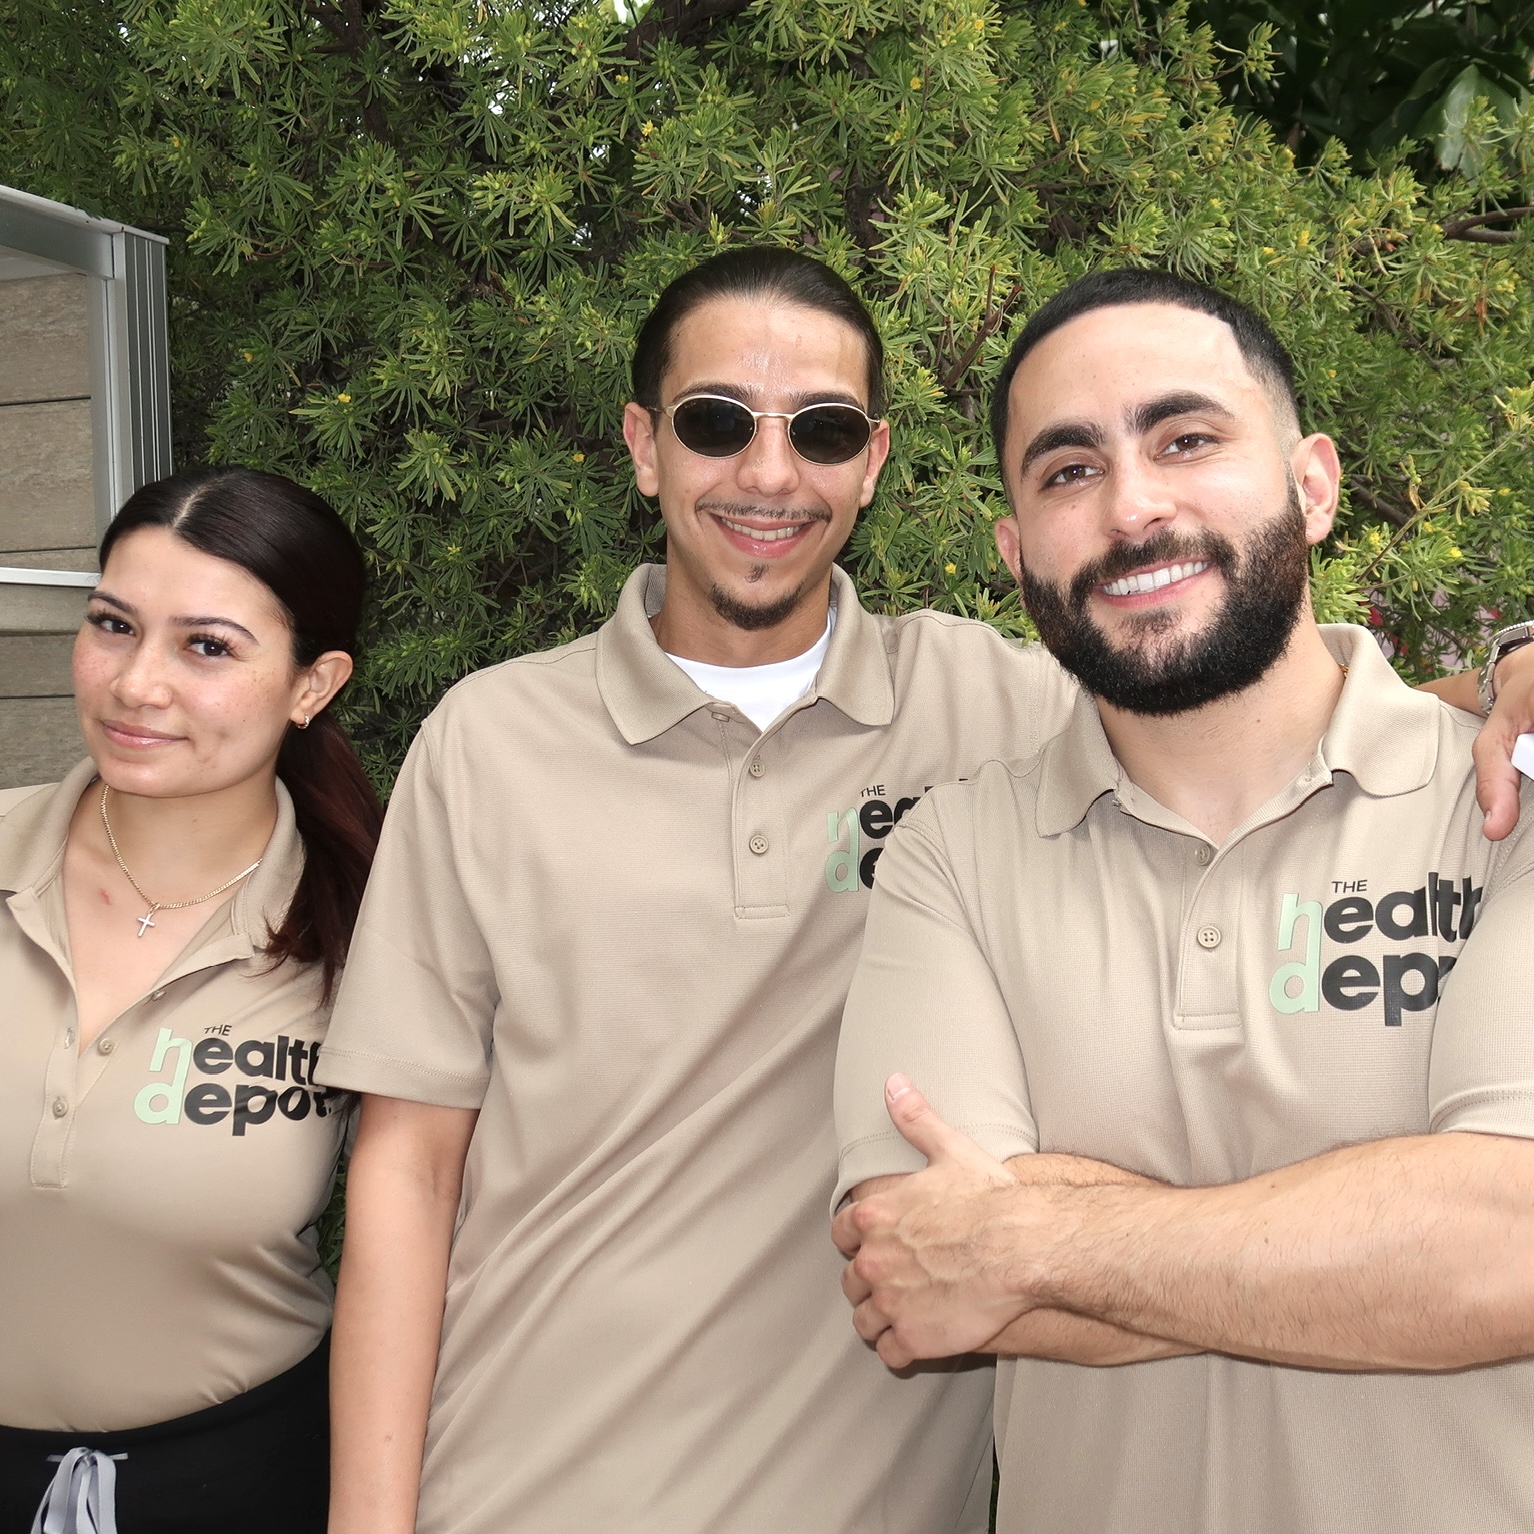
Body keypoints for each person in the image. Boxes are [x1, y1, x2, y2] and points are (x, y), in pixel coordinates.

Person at [318, 248, 1532, 1534]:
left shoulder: (992, 702)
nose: (770, 473)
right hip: (520, 1489)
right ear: (643, 444)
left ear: (875, 460)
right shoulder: (493, 739)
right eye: (716, 422)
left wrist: (1502, 680)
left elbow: (1225, 663)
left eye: (823, 428)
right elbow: (408, 1174)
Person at [832, 268, 1534, 1534]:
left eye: (1187, 438)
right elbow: (914, 1266)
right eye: (1065, 470)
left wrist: (1030, 1238)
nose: (1133, 507)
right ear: (1012, 551)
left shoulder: (1508, 789)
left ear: (1312, 483)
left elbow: (1509, 1251)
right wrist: (1384, 1238)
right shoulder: (955, 854)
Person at [0, 468, 381, 1534]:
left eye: (205, 646)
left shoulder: (372, 927)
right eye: (113, 625)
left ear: (314, 683)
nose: (135, 684)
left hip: (249, 1483)